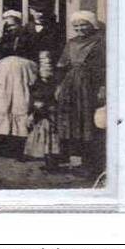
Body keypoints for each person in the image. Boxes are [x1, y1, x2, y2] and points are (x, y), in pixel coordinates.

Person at [54, 10, 107, 175]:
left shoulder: (100, 42)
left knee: (89, 122)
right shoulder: (71, 43)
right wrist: (59, 86)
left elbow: (105, 66)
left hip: (90, 85)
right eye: (76, 27)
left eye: (83, 25)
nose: (80, 29)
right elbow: (62, 65)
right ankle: (76, 158)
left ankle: (92, 163)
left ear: (91, 25)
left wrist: (103, 87)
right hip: (71, 85)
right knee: (73, 121)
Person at [0, 10, 38, 154]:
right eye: (6, 25)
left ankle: (19, 143)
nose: (9, 28)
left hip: (22, 74)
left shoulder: (29, 36)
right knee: (1, 105)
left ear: (19, 24)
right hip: (3, 74)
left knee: (20, 103)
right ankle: (1, 142)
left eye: (12, 25)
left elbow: (36, 53)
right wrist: (0, 33)